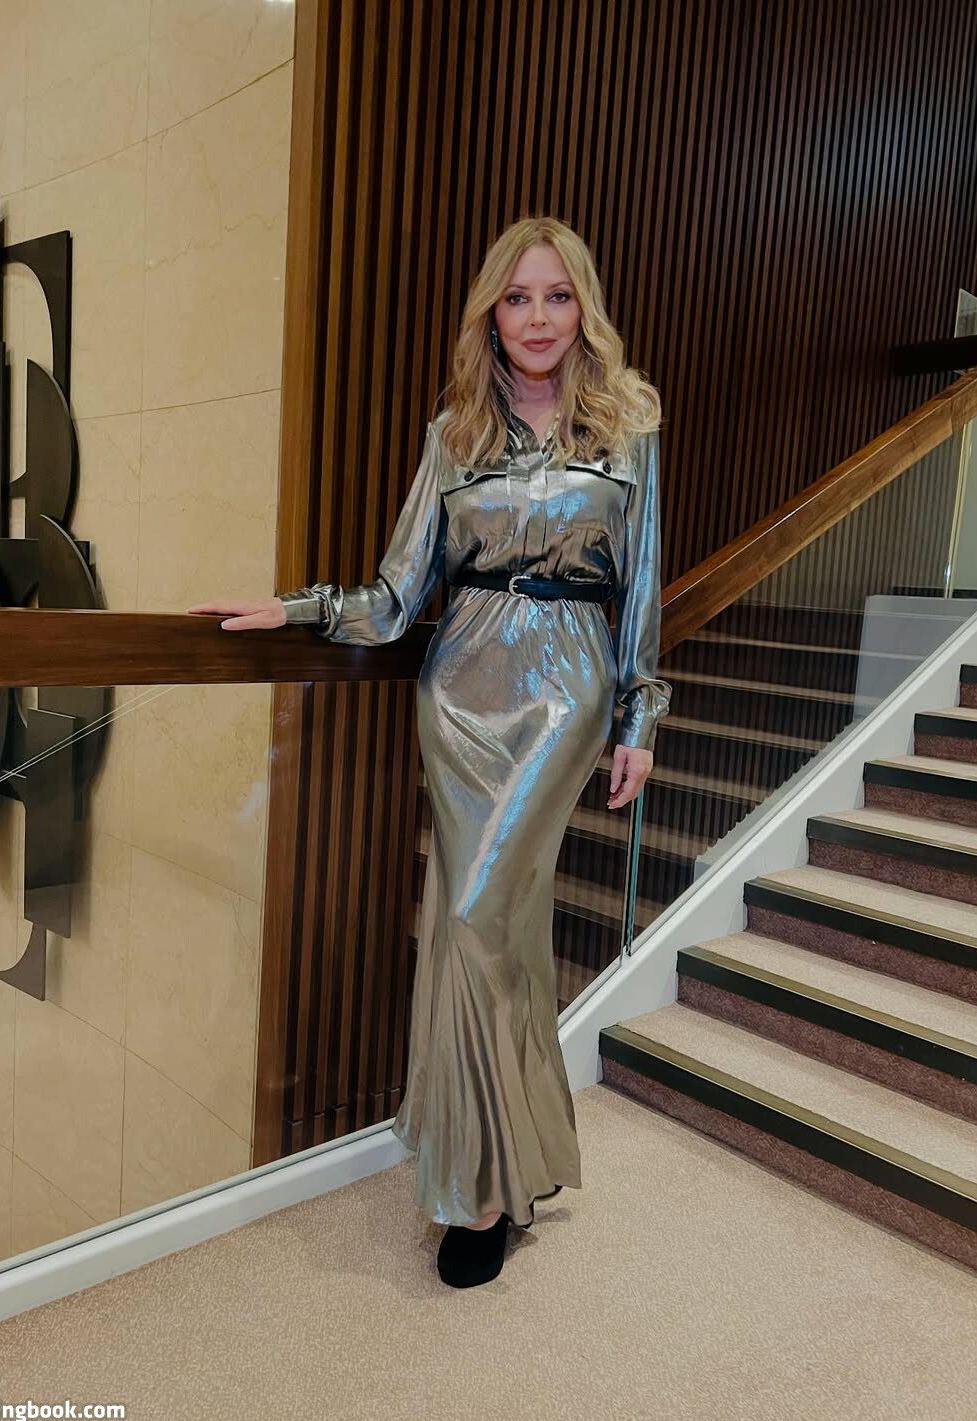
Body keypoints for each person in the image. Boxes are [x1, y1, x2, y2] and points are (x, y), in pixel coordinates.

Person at [189, 216, 671, 1289]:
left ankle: (482, 1189)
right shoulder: (453, 433)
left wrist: (638, 718)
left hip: (565, 690)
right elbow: (402, 590)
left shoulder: (628, 426)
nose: (537, 317)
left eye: (557, 296)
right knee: (490, 933)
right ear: (490, 315)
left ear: (583, 308)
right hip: (458, 690)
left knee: (471, 919)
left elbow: (641, 588)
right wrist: (294, 608)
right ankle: (503, 1169)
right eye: (517, 297)